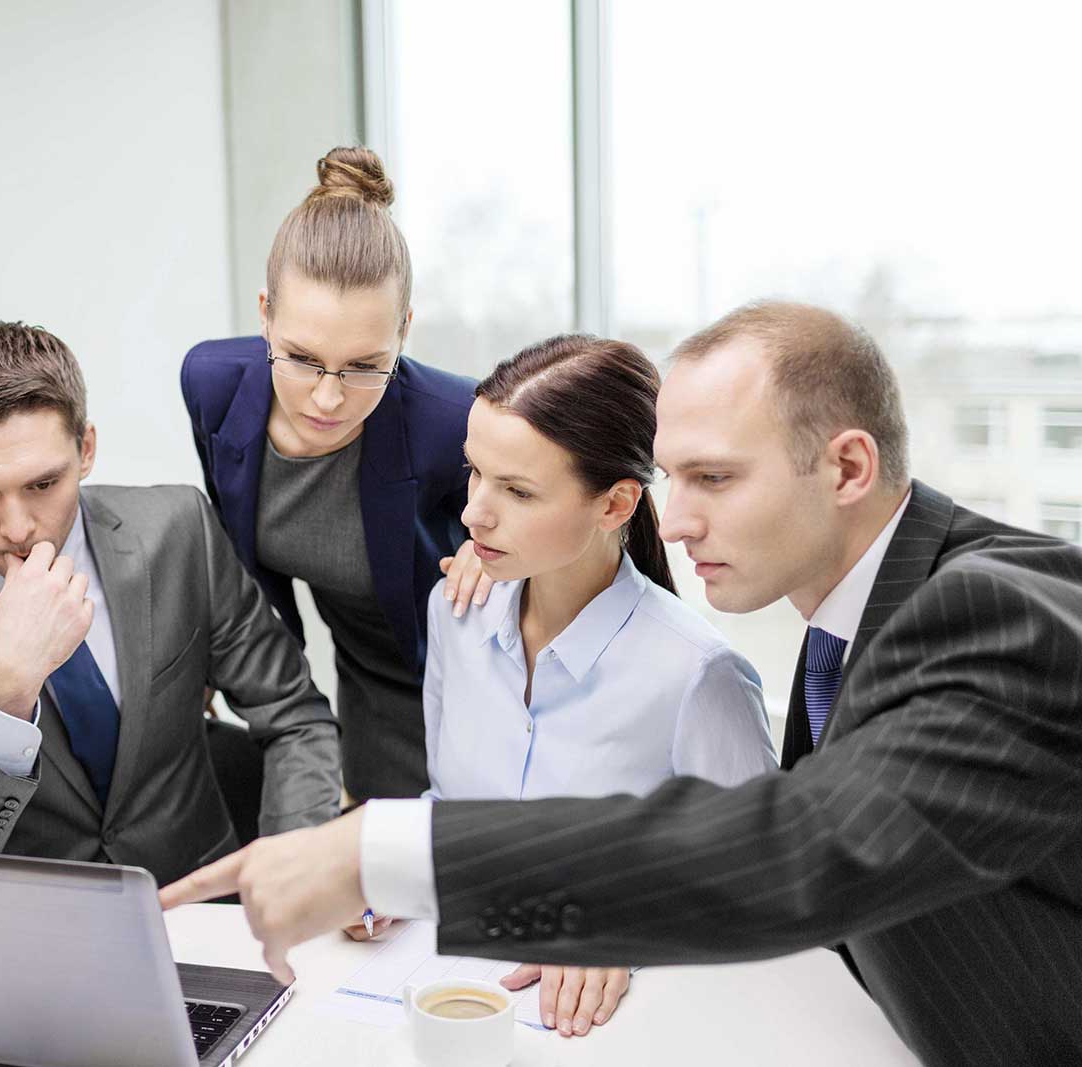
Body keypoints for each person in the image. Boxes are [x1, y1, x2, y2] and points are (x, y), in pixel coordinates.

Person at [161, 302, 1082, 1066]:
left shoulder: (993, 612)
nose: (674, 523)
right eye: (672, 477)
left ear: (846, 466)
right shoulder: (846, 627)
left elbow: (803, 841)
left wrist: (385, 850)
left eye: (714, 478)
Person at [0, 321, 341, 887]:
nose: (16, 527)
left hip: (205, 910)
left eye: (43, 484)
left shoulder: (178, 531)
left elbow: (295, 719)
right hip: (29, 943)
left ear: (87, 449)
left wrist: (298, 873)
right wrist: (2, 694)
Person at [422, 335, 777, 1032]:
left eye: (518, 490)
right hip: (448, 992)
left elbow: (760, 882)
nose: (474, 514)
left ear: (615, 505)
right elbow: (450, 803)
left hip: (617, 1028)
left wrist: (626, 923)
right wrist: (373, 875)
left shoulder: (696, 674)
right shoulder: (456, 611)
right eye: (475, 473)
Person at [182, 146, 485, 805]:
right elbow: (237, 548)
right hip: (360, 672)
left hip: (463, 676)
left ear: (405, 330)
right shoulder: (210, 386)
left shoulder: (456, 417)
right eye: (300, 357)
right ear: (264, 314)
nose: (326, 397)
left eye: (363, 365)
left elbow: (555, 517)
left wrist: (498, 554)